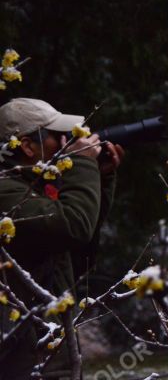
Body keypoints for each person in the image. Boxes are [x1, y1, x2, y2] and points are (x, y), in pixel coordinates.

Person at [0, 98, 123, 379]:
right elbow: (74, 226)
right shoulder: (6, 193)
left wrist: (100, 178)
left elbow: (77, 251)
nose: (68, 142)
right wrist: (82, 165)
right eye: (58, 136)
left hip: (47, 346)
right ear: (27, 146)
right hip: (20, 355)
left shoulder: (35, 191)